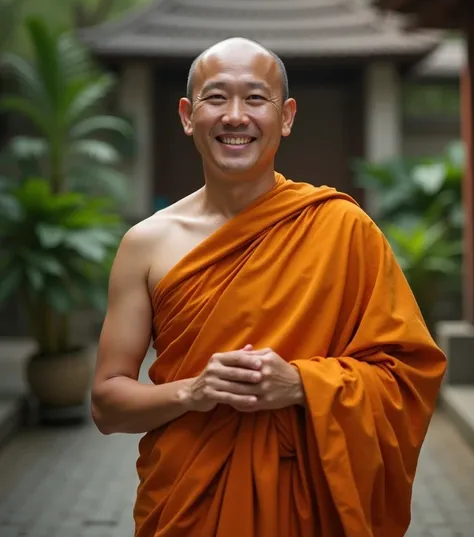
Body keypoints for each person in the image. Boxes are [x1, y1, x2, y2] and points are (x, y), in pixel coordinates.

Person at [91, 37, 447, 537]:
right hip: (190, 501)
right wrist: (193, 392)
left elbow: (409, 374)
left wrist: (301, 385)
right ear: (188, 115)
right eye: (216, 98)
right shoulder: (146, 244)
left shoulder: (343, 228)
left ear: (287, 116)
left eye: (256, 98)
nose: (235, 116)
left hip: (308, 499)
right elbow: (107, 404)